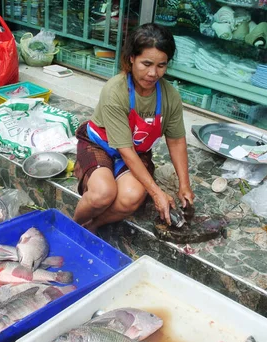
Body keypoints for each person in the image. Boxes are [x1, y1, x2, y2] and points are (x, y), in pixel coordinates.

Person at [73, 23, 195, 234]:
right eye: (146, 63)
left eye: (161, 65)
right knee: (103, 193)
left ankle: (93, 226)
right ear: (131, 58)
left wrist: (184, 185)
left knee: (131, 197)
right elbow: (125, 149)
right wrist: (156, 193)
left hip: (136, 152)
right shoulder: (116, 90)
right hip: (100, 145)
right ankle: (73, 227)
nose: (153, 73)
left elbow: (176, 141)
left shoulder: (170, 96)